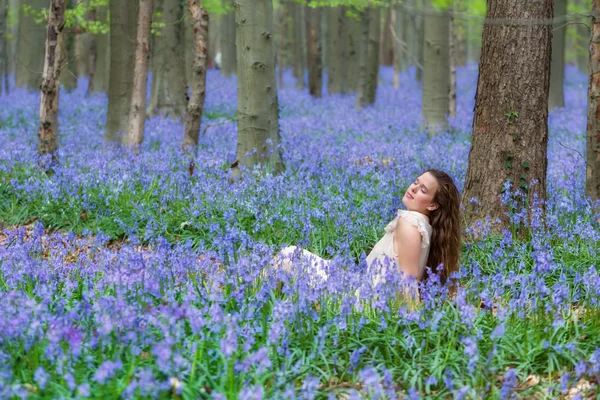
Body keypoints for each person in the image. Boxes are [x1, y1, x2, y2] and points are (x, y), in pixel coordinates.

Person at [272, 169, 461, 298]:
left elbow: (408, 281)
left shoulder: (410, 223)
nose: (413, 188)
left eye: (423, 190)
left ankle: (251, 303)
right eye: (416, 182)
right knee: (293, 256)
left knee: (288, 256)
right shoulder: (423, 226)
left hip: (363, 302)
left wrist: (413, 324)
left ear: (433, 205)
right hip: (363, 288)